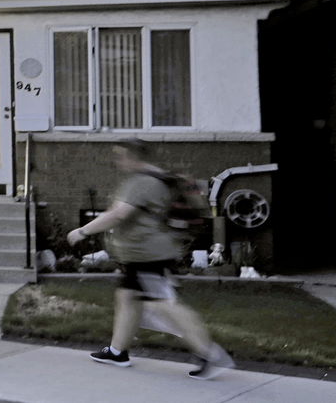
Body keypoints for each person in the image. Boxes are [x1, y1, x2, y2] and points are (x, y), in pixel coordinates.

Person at [65, 137, 234, 380]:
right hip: (145, 254)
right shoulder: (157, 177)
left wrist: (82, 231)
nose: (117, 161)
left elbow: (118, 215)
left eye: (120, 156)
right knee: (126, 297)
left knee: (164, 304)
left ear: (134, 157)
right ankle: (117, 351)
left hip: (148, 257)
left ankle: (209, 353)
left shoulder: (142, 182)